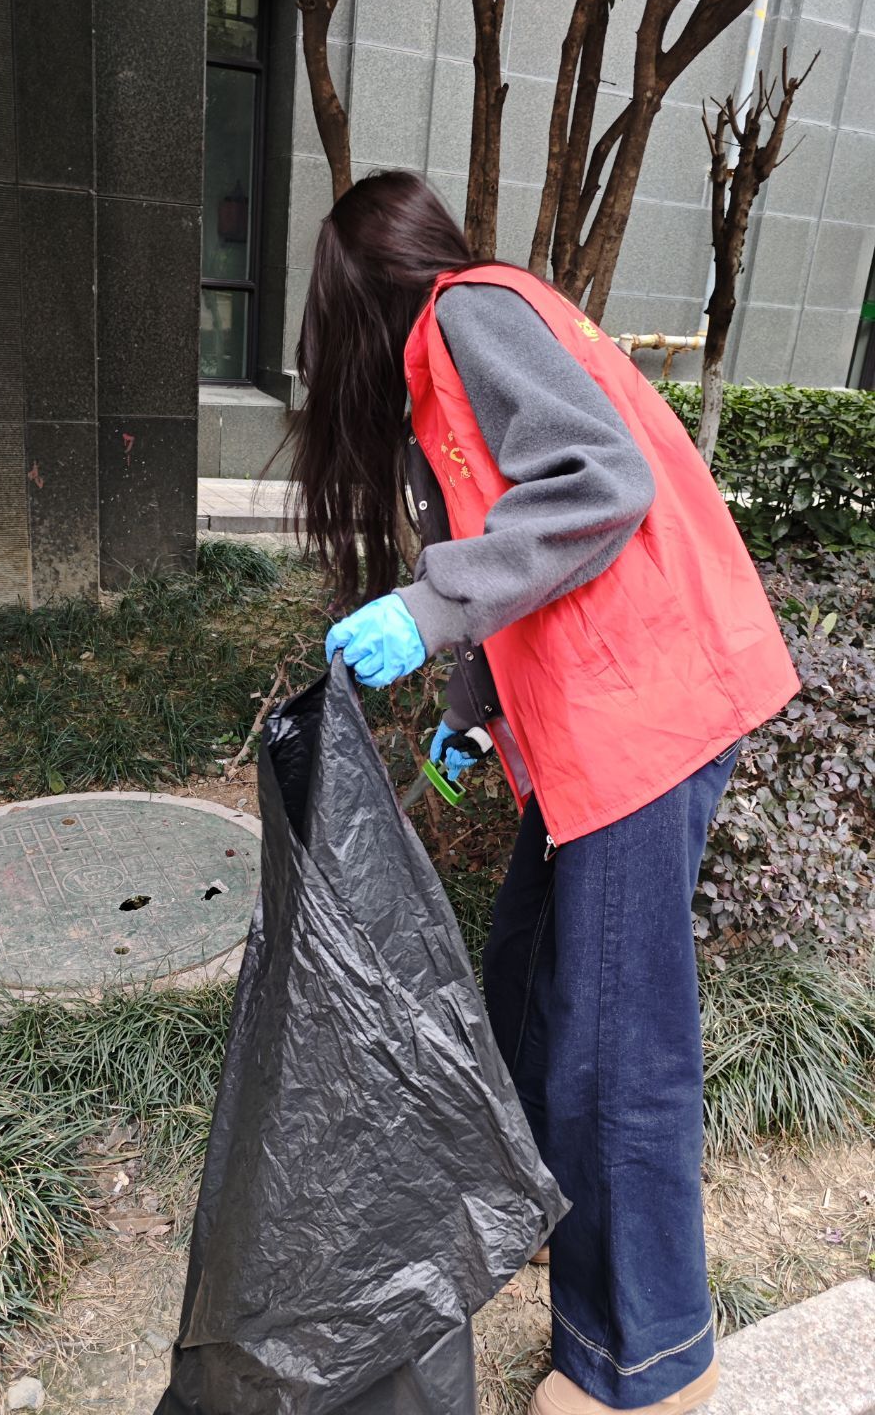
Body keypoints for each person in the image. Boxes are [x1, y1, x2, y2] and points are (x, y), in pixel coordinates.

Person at [286, 171, 799, 1415]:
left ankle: (647, 1364)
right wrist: (471, 708)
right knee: (524, 973)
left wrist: (425, 606)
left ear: (359, 297)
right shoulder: (467, 345)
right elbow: (530, 545)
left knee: (614, 1050)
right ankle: (525, 1215)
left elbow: (597, 484)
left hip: (647, 721)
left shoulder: (468, 315)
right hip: (610, 720)